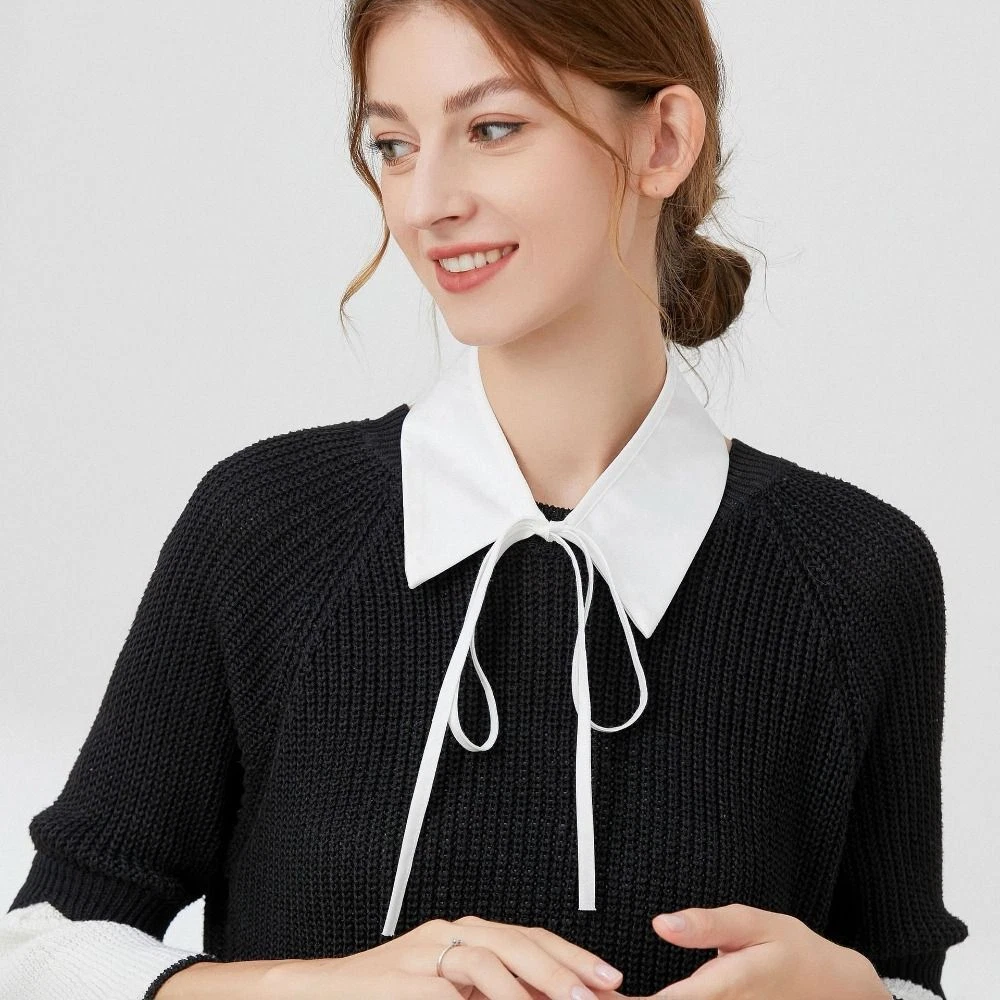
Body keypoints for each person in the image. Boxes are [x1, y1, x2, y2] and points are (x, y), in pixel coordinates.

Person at [1, 0, 969, 998]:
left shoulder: (854, 572)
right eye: (393, 145)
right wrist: (314, 988)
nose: (425, 203)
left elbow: (905, 977)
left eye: (493, 128)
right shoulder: (265, 527)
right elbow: (38, 951)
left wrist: (863, 996)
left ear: (663, 141)